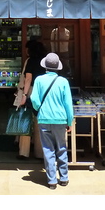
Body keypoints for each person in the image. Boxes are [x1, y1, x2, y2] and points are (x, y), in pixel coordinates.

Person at [29, 52, 74, 190]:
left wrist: (40, 109)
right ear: (58, 67)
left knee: (48, 150)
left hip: (43, 118)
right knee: (61, 148)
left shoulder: (39, 80)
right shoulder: (63, 82)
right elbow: (68, 103)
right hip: (60, 119)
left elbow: (34, 99)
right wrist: (69, 121)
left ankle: (52, 181)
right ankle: (64, 178)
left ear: (45, 67)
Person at [15, 39, 47, 159]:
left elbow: (28, 79)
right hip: (44, 92)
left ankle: (24, 152)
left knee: (26, 120)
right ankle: (40, 153)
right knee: (40, 122)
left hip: (32, 91)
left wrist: (24, 95)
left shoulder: (30, 61)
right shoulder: (45, 61)